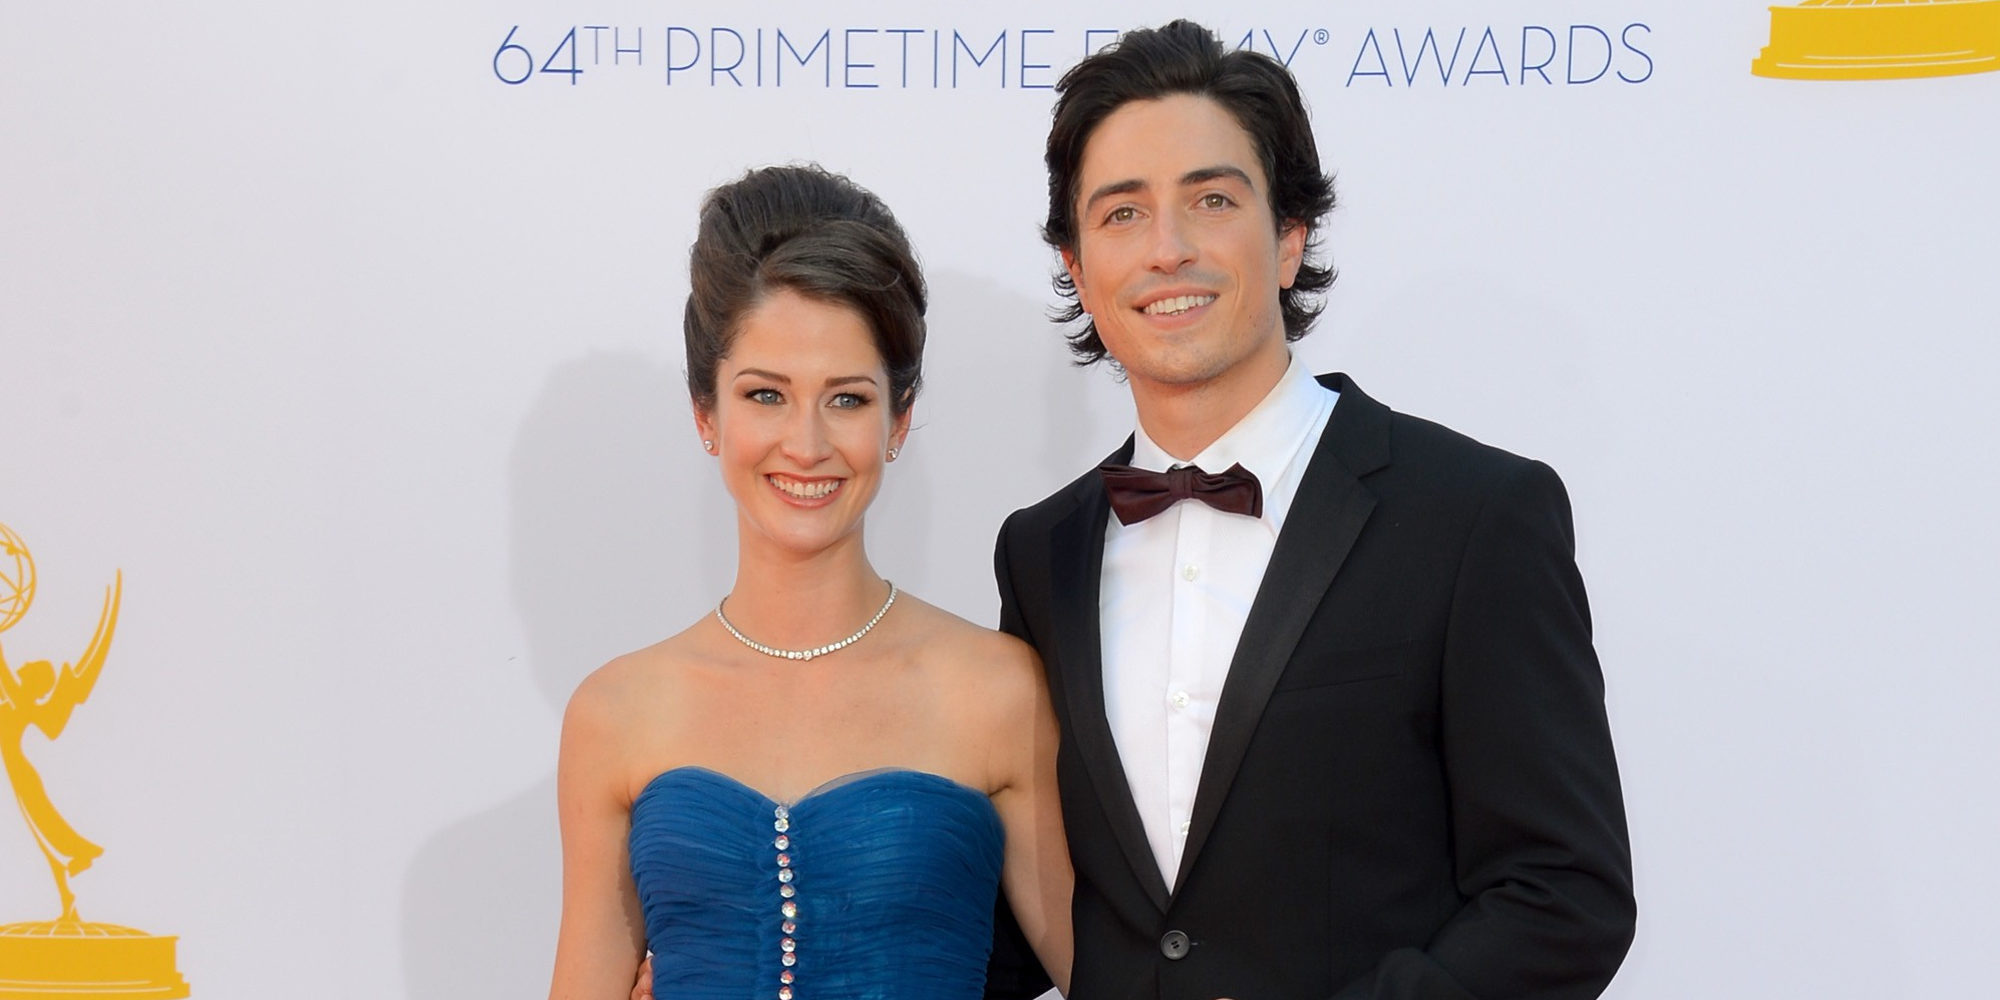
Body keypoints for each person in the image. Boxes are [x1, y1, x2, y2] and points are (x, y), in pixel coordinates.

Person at [984, 20, 1637, 1000]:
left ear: (1288, 238)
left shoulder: (1474, 515)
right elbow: (1048, 898)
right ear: (1076, 268)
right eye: (1120, 214)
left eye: (1209, 199)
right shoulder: (1041, 551)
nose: (1165, 248)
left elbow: (1562, 893)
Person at [551, 165, 1071, 1000]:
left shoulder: (999, 693)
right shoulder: (615, 715)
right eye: (765, 394)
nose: (805, 443)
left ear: (898, 421)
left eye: (847, 400)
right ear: (706, 414)